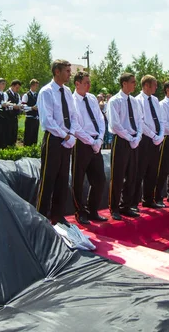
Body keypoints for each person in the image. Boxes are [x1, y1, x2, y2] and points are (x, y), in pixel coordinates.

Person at [36, 59, 79, 226]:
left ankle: (58, 216)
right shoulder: (46, 92)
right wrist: (65, 136)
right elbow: (47, 121)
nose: (70, 74)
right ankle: (41, 217)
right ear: (57, 72)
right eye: (67, 71)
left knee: (62, 179)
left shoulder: (67, 91)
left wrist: (72, 133)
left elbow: (74, 115)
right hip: (54, 139)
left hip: (67, 139)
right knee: (48, 178)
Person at [71, 71, 107, 224]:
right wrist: (90, 141)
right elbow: (75, 126)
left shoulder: (92, 98)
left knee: (100, 179)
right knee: (78, 179)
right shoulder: (72, 100)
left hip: (95, 142)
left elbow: (100, 119)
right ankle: (80, 211)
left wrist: (99, 138)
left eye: (89, 82)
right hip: (81, 142)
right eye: (86, 82)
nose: (89, 85)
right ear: (77, 83)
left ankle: (93, 210)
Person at [107, 73, 142, 219]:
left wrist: (137, 137)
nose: (135, 84)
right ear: (124, 83)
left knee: (132, 174)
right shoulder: (114, 101)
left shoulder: (134, 101)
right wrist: (129, 137)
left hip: (134, 140)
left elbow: (140, 120)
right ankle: (114, 207)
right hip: (121, 140)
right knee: (118, 175)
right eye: (132, 82)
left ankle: (126, 205)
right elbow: (115, 124)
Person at [134, 75, 165, 208]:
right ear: (146, 85)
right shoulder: (138, 100)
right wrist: (153, 135)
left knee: (153, 171)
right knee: (140, 171)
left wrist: (160, 135)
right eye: (154, 84)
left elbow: (160, 118)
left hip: (156, 139)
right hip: (145, 139)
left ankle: (148, 199)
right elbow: (140, 121)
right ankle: (133, 202)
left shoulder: (155, 100)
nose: (156, 87)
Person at [21, 79, 40, 146]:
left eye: (37, 86)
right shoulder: (26, 95)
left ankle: (33, 150)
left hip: (36, 118)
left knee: (35, 136)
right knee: (28, 136)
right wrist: (31, 108)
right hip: (29, 118)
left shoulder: (38, 95)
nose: (36, 88)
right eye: (35, 86)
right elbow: (23, 107)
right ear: (32, 86)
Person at [4, 80, 22, 147]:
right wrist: (13, 106)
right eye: (16, 88)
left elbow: (20, 103)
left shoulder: (17, 95)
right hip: (7, 117)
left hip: (14, 117)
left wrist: (20, 106)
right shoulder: (6, 93)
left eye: (18, 88)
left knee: (14, 133)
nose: (17, 89)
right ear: (12, 86)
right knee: (8, 134)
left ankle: (12, 146)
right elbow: (5, 104)